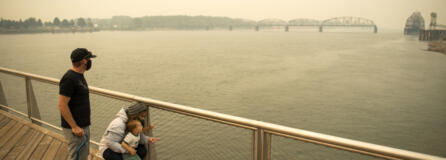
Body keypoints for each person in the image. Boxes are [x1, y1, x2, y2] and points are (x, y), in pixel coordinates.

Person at [58, 48, 97, 160]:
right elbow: (61, 105)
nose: (90, 61)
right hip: (76, 129)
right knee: (77, 156)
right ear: (84, 61)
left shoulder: (79, 76)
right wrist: (74, 127)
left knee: (83, 156)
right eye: (89, 59)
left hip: (82, 126)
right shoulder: (69, 78)